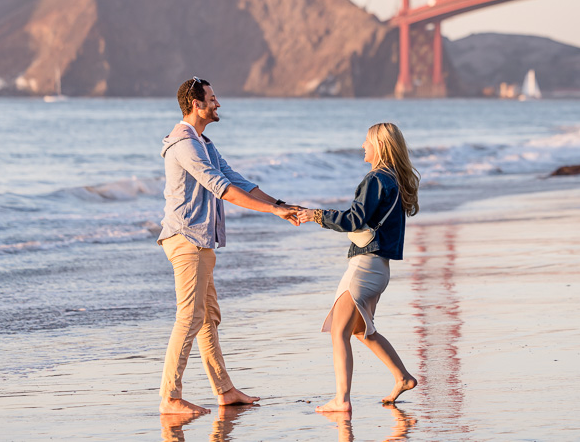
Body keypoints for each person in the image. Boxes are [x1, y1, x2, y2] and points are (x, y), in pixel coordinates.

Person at [157, 76, 299, 416]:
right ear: (196, 104)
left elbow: (236, 179)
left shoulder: (203, 142)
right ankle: (170, 398)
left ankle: (225, 390)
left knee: (208, 318)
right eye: (213, 98)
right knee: (189, 318)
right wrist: (272, 211)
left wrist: (280, 203)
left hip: (200, 241)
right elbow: (221, 188)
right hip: (186, 239)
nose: (218, 103)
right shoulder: (184, 144)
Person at [296, 122, 420, 412]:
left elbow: (353, 220)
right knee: (361, 331)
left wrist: (315, 215)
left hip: (364, 266)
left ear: (380, 145)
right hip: (379, 268)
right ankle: (402, 377)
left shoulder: (377, 178)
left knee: (340, 331)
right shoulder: (395, 180)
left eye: (367, 141)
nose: (363, 146)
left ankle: (342, 400)